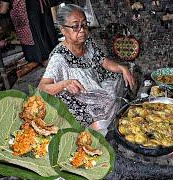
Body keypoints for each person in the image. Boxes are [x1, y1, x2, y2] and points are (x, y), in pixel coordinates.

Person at [38, 4, 135, 132]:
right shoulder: (59, 57)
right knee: (101, 111)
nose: (82, 30)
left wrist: (123, 69)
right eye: (75, 26)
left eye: (84, 24)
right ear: (63, 30)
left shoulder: (87, 42)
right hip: (76, 98)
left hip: (94, 85)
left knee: (121, 79)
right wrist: (65, 84)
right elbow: (42, 88)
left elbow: (103, 61)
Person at [0, 0, 58, 66]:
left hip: (29, 11)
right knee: (46, 33)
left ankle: (45, 62)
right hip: (40, 6)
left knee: (36, 40)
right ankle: (54, 58)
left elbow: (3, 10)